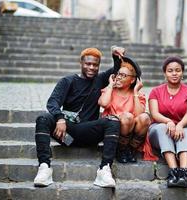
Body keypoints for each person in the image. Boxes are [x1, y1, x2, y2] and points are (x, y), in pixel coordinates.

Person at [33, 46, 124, 188]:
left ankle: (104, 170)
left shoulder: (100, 80)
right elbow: (53, 102)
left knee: (113, 121)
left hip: (89, 135)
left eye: (95, 65)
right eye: (88, 64)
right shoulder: (68, 81)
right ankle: (44, 167)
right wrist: (60, 118)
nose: (92, 67)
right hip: (66, 137)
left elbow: (116, 70)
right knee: (43, 119)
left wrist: (115, 55)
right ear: (81, 63)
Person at [148, 56, 187, 188]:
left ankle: (184, 173)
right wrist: (168, 121)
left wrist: (180, 124)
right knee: (162, 128)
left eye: (177, 70)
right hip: (159, 128)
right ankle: (173, 171)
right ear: (165, 73)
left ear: (182, 73)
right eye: (170, 71)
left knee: (184, 133)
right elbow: (154, 114)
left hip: (185, 126)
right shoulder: (155, 91)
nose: (174, 73)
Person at [98, 55, 151, 163]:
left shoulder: (138, 95)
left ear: (132, 80)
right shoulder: (109, 90)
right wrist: (110, 85)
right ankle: (121, 149)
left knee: (145, 117)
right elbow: (103, 103)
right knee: (127, 117)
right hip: (113, 131)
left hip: (131, 132)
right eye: (118, 74)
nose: (119, 77)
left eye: (123, 75)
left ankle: (131, 149)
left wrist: (135, 92)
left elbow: (139, 114)